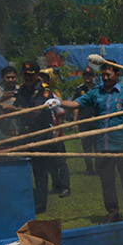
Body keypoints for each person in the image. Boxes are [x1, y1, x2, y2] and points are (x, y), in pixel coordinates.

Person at [58, 61, 123, 223]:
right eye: (103, 75)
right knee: (107, 183)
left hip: (122, 145)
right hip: (104, 146)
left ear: (117, 74)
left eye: (109, 74)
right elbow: (75, 103)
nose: (105, 78)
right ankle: (112, 213)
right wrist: (57, 102)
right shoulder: (95, 93)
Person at [7, 61, 64, 215]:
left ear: (38, 75)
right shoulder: (23, 89)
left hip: (40, 134)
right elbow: (19, 105)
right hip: (25, 133)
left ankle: (40, 204)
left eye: (31, 75)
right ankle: (25, 199)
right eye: (25, 75)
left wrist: (14, 109)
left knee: (40, 172)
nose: (28, 78)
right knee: (19, 167)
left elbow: (35, 112)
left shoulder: (44, 90)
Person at [38, 71, 71, 200]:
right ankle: (56, 184)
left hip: (54, 134)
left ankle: (65, 186)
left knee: (60, 162)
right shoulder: (36, 96)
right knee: (49, 163)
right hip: (42, 136)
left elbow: (61, 113)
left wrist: (57, 133)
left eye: (42, 80)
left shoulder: (51, 96)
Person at [72, 68, 98, 175]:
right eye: (85, 75)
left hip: (96, 120)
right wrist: (75, 121)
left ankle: (99, 168)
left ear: (93, 77)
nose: (87, 77)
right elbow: (75, 106)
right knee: (87, 147)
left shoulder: (98, 89)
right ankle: (89, 169)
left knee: (97, 146)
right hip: (84, 121)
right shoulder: (79, 90)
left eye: (89, 75)